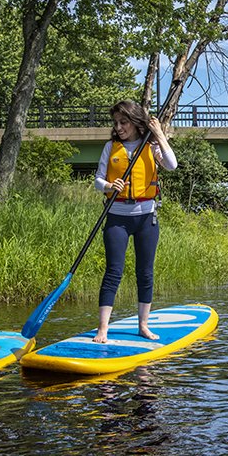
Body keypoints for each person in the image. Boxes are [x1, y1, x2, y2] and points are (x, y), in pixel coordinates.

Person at [93, 101, 178, 342]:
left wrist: (160, 135)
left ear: (136, 122)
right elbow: (98, 179)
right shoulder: (111, 147)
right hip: (117, 218)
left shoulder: (151, 147)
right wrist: (110, 186)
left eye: (124, 122)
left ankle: (143, 326)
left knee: (145, 273)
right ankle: (103, 329)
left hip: (146, 218)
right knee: (113, 272)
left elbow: (172, 165)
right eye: (116, 123)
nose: (119, 127)